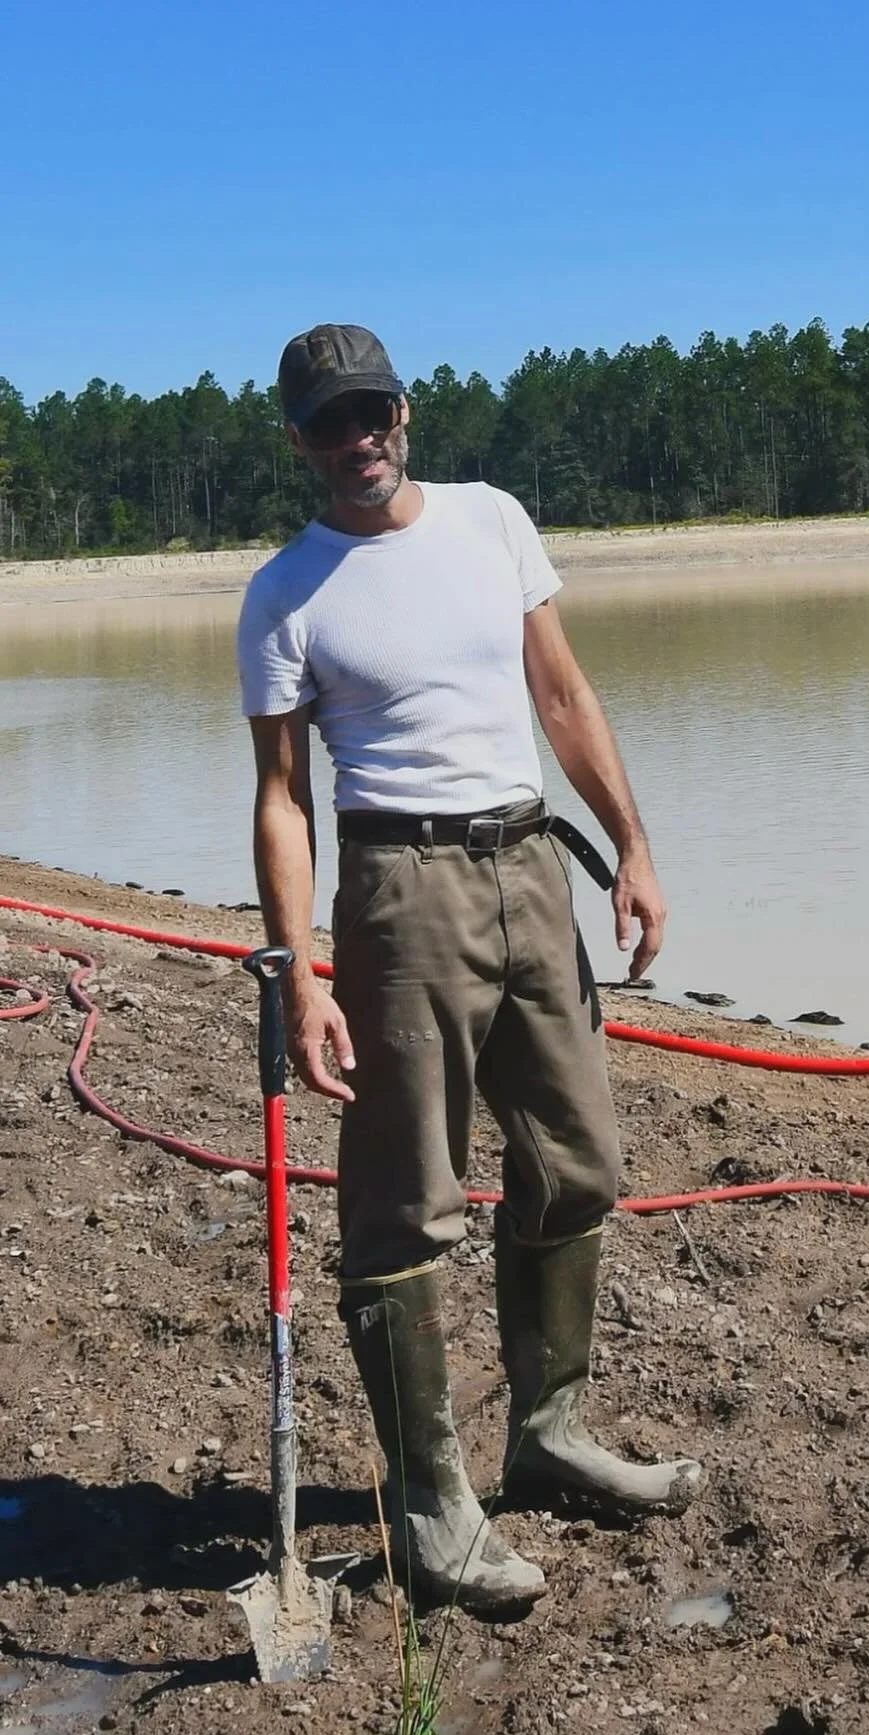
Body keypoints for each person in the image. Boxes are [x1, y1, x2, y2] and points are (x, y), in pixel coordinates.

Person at [236, 323, 703, 1616]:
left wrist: (634, 850)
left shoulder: (495, 523)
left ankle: (547, 1435)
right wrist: (306, 970)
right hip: (402, 893)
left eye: (373, 412)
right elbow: (284, 798)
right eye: (331, 422)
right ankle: (434, 1510)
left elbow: (561, 698)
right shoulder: (287, 592)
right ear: (299, 442)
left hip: (531, 872)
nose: (359, 439)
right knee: (404, 1205)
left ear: (407, 415)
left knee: (581, 1164)